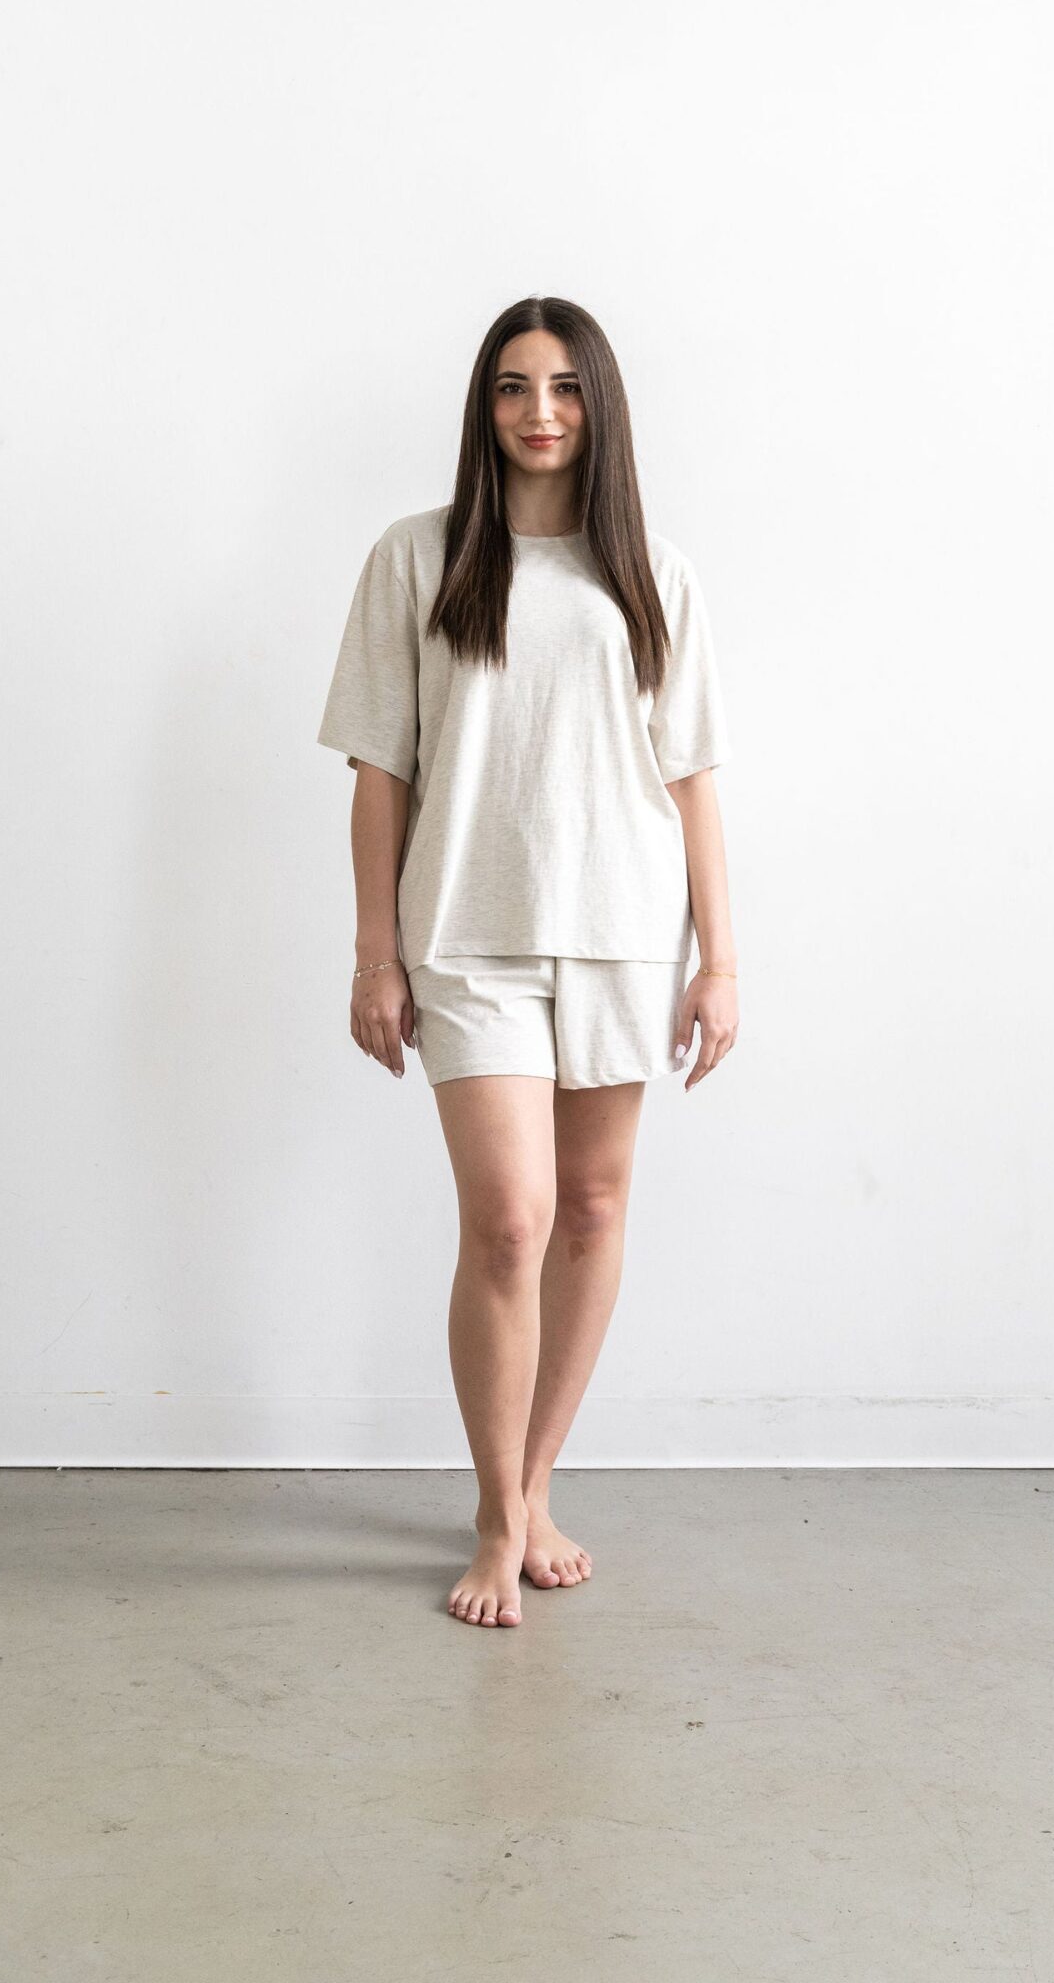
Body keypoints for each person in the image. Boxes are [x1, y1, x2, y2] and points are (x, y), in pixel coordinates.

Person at [315, 296, 738, 1628]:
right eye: (511, 386)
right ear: (482, 406)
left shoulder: (653, 573)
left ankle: (536, 1483)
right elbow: (379, 772)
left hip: (625, 931)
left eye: (562, 386)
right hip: (469, 934)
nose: (538, 411)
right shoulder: (418, 558)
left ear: (597, 403)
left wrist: (721, 961)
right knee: (510, 1220)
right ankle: (498, 1512)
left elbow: (692, 779)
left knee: (594, 1211)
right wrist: (375, 956)